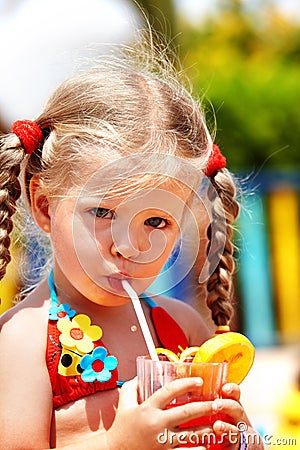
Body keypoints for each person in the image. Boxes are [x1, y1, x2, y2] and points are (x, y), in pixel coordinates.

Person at [0, 39, 263, 449]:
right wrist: (116, 444)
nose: (130, 246)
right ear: (46, 207)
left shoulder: (185, 331)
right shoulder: (21, 343)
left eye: (156, 221)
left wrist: (241, 440)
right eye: (103, 213)